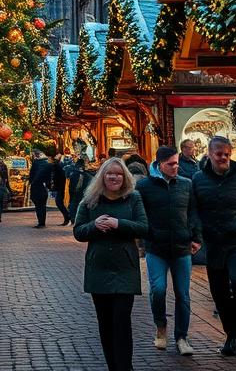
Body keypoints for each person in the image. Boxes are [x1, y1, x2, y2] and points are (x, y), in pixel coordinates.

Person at [190, 135, 236, 365]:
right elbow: (194, 210)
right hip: (214, 244)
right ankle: (230, 335)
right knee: (219, 291)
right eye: (219, 154)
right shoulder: (198, 179)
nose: (223, 158)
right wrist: (198, 233)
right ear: (210, 154)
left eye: (226, 154)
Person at [74, 157, 149, 371]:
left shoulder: (133, 198)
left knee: (121, 322)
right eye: (109, 173)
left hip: (125, 269)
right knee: (106, 324)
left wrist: (119, 224)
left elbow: (143, 227)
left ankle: (125, 367)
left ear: (124, 176)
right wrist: (94, 225)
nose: (114, 177)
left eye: (118, 173)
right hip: (99, 269)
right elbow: (78, 232)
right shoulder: (90, 201)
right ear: (102, 177)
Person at [135, 146, 201, 357]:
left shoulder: (186, 184)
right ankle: (160, 325)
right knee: (158, 288)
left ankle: (182, 336)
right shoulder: (144, 186)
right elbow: (140, 215)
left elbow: (193, 213)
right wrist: (144, 239)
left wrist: (196, 238)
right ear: (159, 164)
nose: (176, 167)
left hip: (182, 247)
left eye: (177, 163)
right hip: (156, 246)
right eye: (171, 164)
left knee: (183, 294)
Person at [28, 149, 52, 228]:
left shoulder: (36, 163)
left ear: (35, 155)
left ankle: (41, 223)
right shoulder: (47, 163)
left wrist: (32, 182)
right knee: (42, 206)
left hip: (37, 187)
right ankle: (42, 222)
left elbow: (32, 176)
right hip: (44, 187)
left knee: (38, 206)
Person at [51, 152, 70, 225]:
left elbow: (57, 176)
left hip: (60, 187)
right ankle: (67, 217)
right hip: (61, 186)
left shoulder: (58, 166)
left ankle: (67, 217)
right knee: (59, 202)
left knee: (59, 202)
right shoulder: (60, 165)